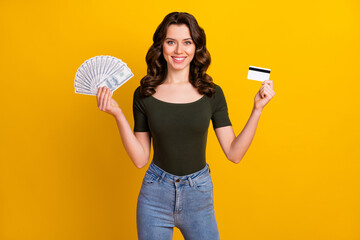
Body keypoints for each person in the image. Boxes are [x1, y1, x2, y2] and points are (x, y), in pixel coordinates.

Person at [96, 11, 275, 240]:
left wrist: (257, 109)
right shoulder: (144, 95)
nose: (179, 51)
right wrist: (118, 115)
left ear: (196, 47)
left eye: (187, 42)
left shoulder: (212, 94)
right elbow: (140, 159)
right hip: (154, 196)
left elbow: (234, 152)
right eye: (171, 42)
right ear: (161, 47)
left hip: (198, 194)